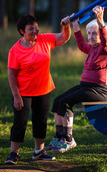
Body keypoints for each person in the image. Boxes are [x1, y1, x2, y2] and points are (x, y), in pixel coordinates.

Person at [45, 5, 107, 153]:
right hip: (87, 86)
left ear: (102, 33)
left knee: (66, 103)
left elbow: (105, 40)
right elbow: (81, 44)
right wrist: (75, 25)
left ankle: (68, 139)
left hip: (102, 89)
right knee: (58, 101)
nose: (90, 37)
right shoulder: (92, 48)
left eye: (94, 34)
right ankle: (59, 137)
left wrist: (100, 21)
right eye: (89, 34)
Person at [5, 14, 71, 164]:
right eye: (31, 29)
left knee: (40, 121)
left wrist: (65, 26)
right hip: (23, 93)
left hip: (43, 89)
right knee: (20, 122)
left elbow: (64, 37)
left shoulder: (44, 39)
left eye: (36, 28)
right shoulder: (15, 51)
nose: (35, 31)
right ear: (22, 31)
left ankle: (38, 152)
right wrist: (16, 96)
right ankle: (13, 154)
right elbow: (11, 75)